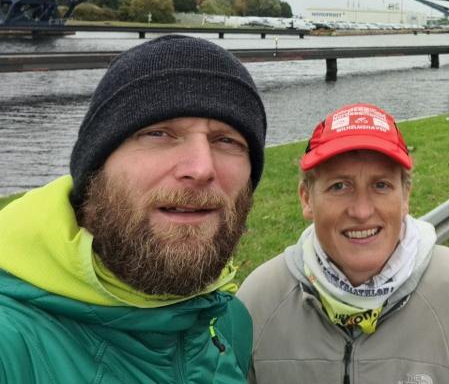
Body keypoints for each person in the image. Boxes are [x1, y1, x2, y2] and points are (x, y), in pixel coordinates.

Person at [0, 35, 267, 383]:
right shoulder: (11, 343)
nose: (202, 168)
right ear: (96, 167)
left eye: (226, 140)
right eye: (158, 133)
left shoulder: (229, 322)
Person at [238, 103, 449, 383]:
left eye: (381, 185)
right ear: (307, 198)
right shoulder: (257, 302)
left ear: (405, 196)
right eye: (339, 186)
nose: (362, 211)